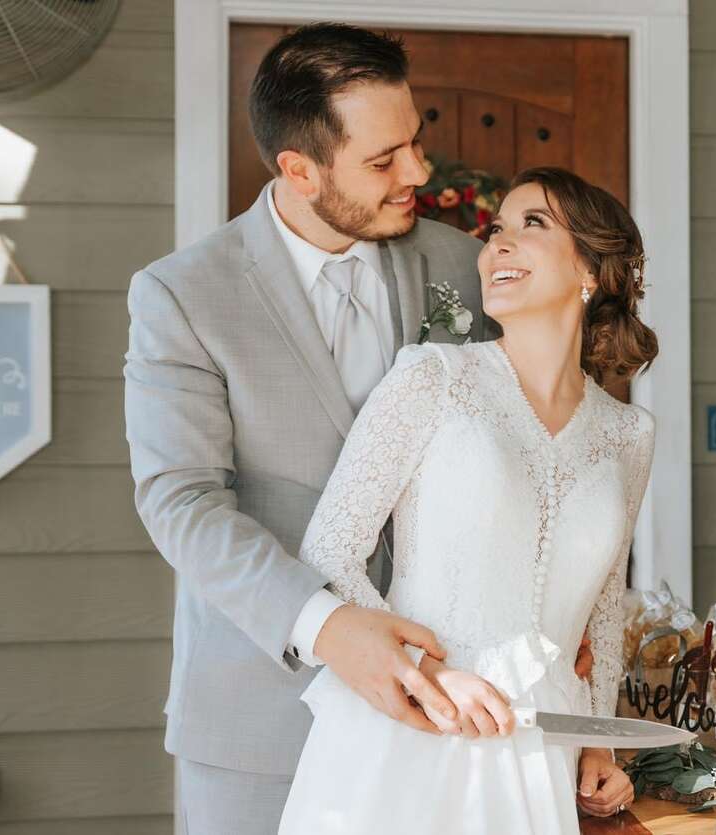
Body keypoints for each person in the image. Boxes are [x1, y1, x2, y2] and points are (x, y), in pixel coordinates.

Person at [124, 24, 591, 833]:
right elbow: (183, 503)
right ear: (300, 170)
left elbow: (530, 440)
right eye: (384, 160)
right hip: (260, 726)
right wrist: (330, 627)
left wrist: (555, 608)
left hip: (450, 716)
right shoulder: (182, 297)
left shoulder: (462, 266)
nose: (418, 172)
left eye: (415, 142)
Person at [277, 166, 656, 833]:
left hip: (543, 750)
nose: (496, 247)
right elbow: (331, 550)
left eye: (530, 225)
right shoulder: (432, 376)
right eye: (494, 231)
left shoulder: (629, 434)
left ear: (592, 269)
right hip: (414, 728)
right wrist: (426, 673)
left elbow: (603, 610)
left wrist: (599, 742)